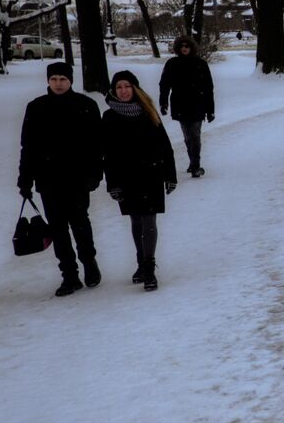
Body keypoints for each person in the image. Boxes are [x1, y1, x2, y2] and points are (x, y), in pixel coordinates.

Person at [17, 61, 103, 296]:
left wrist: (95, 173)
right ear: (48, 81)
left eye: (63, 79)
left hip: (78, 178)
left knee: (80, 223)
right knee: (58, 228)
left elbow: (96, 145)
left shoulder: (86, 105)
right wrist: (25, 180)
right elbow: (29, 147)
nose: (58, 83)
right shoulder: (36, 107)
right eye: (54, 79)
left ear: (71, 81)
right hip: (48, 179)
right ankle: (69, 274)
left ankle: (89, 263)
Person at [102, 70, 177, 291]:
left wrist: (170, 175)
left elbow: (165, 146)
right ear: (113, 91)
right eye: (119, 87)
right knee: (135, 221)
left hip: (150, 173)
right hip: (126, 177)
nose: (123, 91)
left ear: (135, 88)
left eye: (127, 86)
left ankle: (149, 267)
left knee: (149, 221)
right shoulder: (109, 117)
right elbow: (107, 154)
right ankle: (141, 263)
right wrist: (112, 183)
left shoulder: (148, 111)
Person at [158, 35, 215, 177]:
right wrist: (163, 102)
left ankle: (196, 165)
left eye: (187, 46)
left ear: (192, 48)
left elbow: (208, 88)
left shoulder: (201, 64)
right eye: (182, 46)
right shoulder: (172, 64)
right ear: (178, 48)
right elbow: (164, 84)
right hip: (180, 104)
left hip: (198, 104)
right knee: (187, 136)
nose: (184, 49)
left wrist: (210, 110)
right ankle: (193, 162)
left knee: (195, 135)